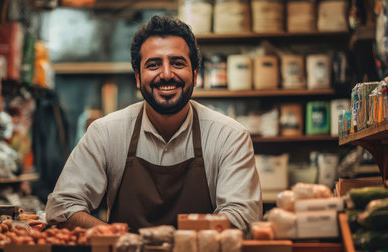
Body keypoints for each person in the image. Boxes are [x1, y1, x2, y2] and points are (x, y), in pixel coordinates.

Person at [45, 15, 262, 233]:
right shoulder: (107, 132)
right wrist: (117, 236)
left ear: (195, 75)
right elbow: (62, 207)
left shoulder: (229, 135)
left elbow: (243, 215)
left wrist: (182, 243)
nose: (166, 74)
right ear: (138, 78)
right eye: (153, 65)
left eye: (177, 63)